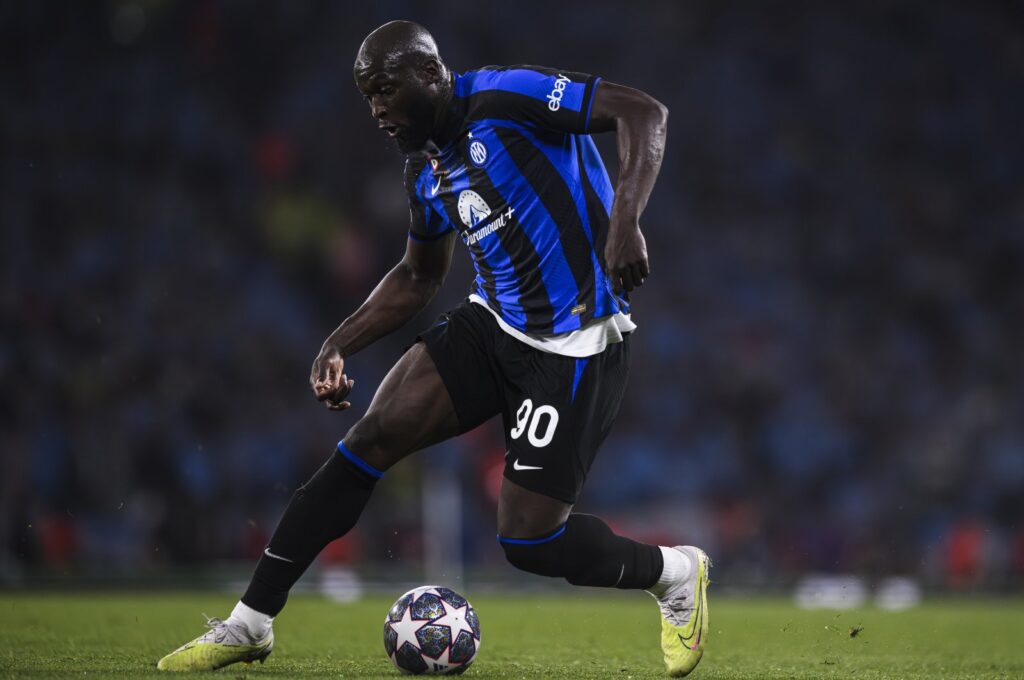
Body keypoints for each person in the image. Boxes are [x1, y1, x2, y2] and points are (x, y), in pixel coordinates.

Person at [157, 20, 710, 677]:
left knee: (529, 540)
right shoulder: (424, 168)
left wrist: (625, 223)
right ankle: (249, 624)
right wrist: (337, 343)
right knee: (368, 442)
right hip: (492, 324)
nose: (377, 110)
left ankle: (676, 574)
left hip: (578, 342)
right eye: (367, 98)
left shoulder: (509, 99)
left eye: (385, 90)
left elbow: (643, 112)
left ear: (428, 73)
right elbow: (419, 275)